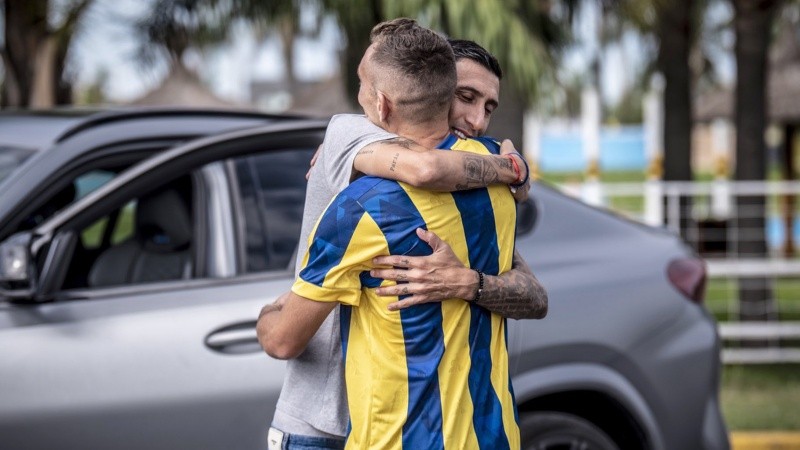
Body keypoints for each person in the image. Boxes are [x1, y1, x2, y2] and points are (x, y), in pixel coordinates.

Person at [264, 30, 547, 450]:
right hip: (320, 414)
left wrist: (468, 281)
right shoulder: (350, 134)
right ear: (433, 88)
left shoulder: (479, 186)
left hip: (400, 429)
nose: (478, 120)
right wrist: (513, 168)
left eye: (489, 107)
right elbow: (426, 167)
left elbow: (535, 297)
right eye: (465, 97)